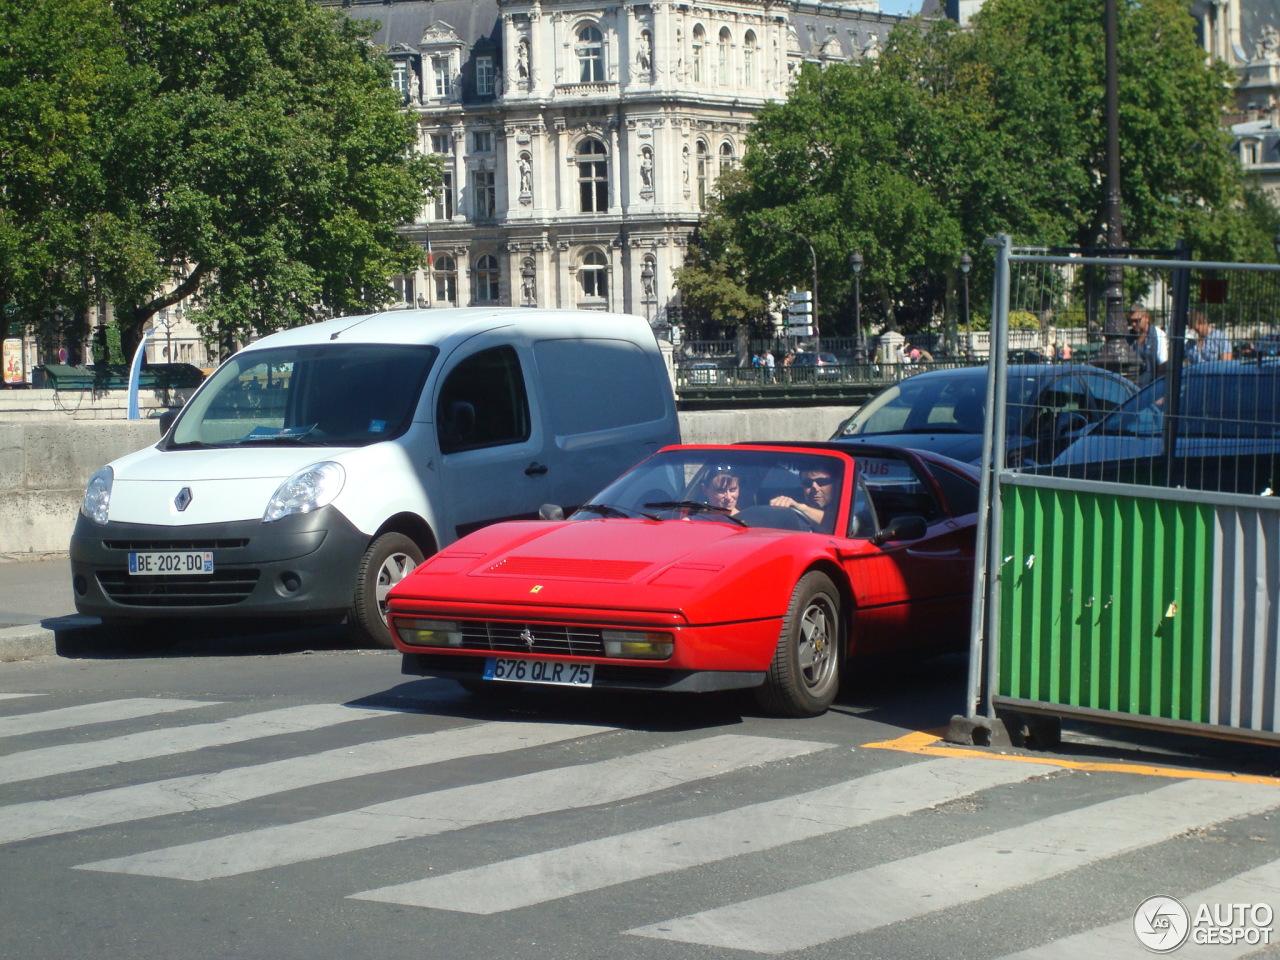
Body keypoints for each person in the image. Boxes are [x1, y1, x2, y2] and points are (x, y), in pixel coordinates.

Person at [771, 465, 840, 533]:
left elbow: (838, 524)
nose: (815, 488)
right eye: (808, 483)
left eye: (822, 482)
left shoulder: (848, 509)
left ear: (836, 485)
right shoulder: (792, 514)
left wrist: (801, 508)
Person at [1127, 301, 1168, 386]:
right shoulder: (1128, 337)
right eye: (1130, 321)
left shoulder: (1158, 335)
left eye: (1137, 321)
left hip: (1151, 388)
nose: (1133, 324)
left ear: (1147, 317)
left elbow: (1163, 365)